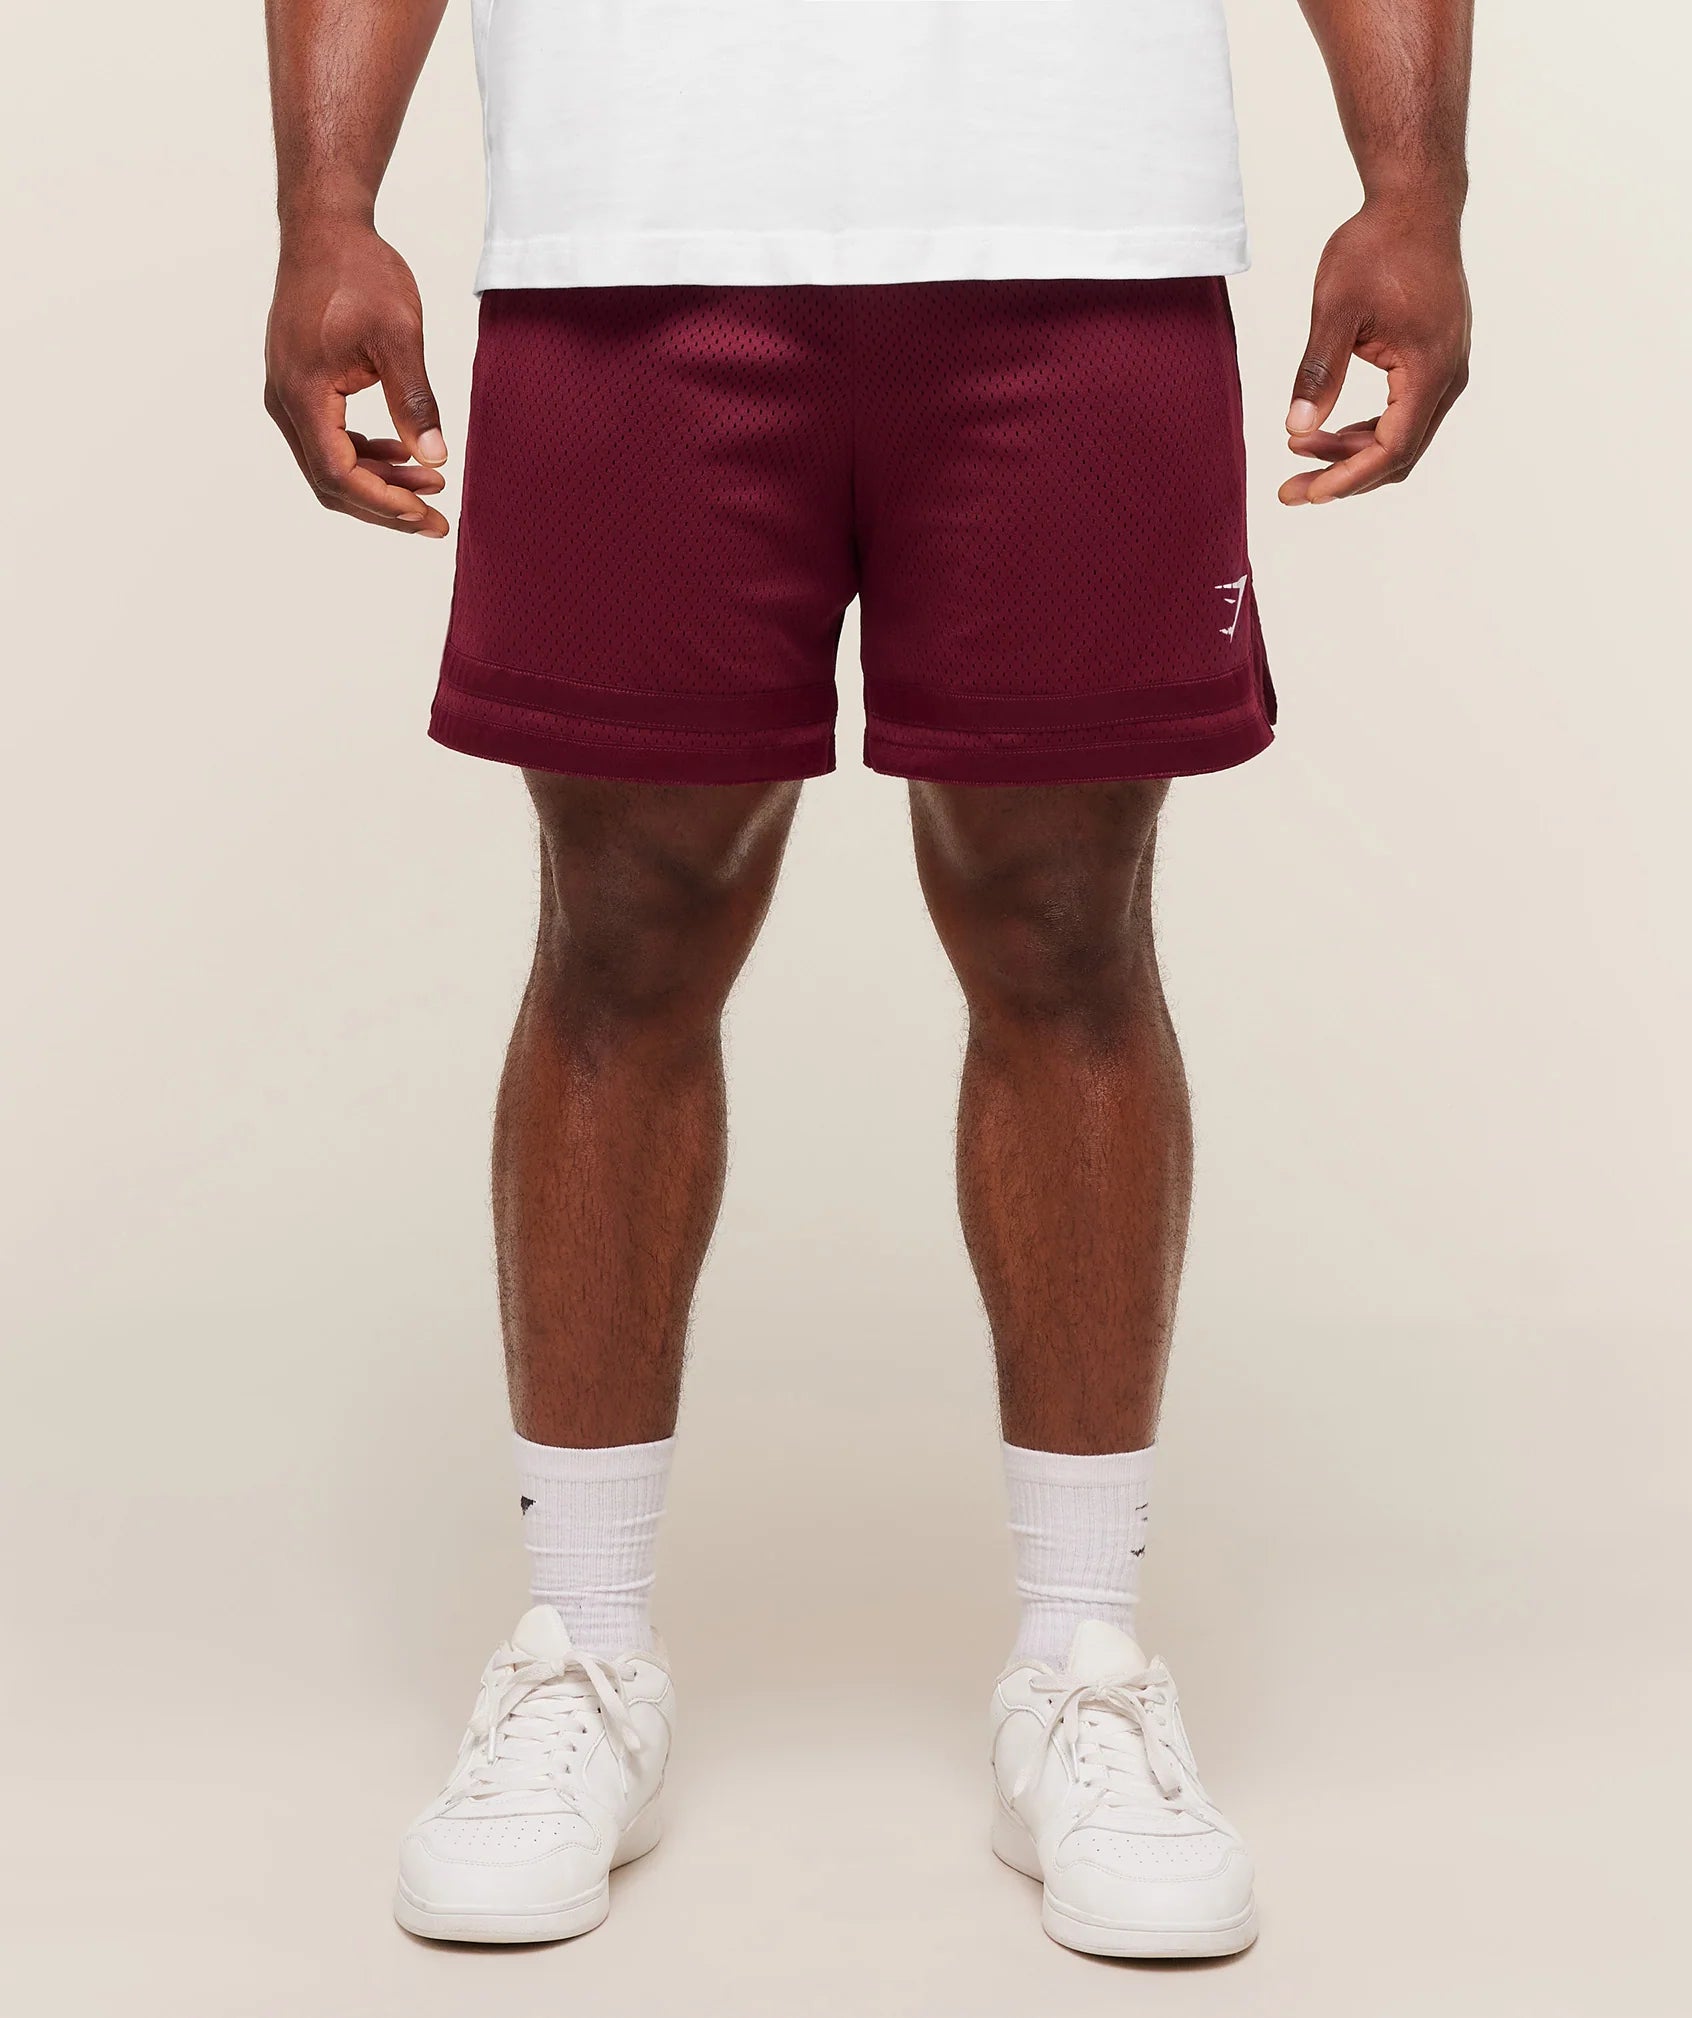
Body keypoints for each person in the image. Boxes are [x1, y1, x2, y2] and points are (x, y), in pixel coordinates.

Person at [264, 0, 1471, 1961]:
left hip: (1079, 225)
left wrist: (1414, 184)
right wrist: (327, 204)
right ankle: (585, 1647)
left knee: (1066, 925)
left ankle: (1081, 1667)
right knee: (623, 926)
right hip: (632, 230)